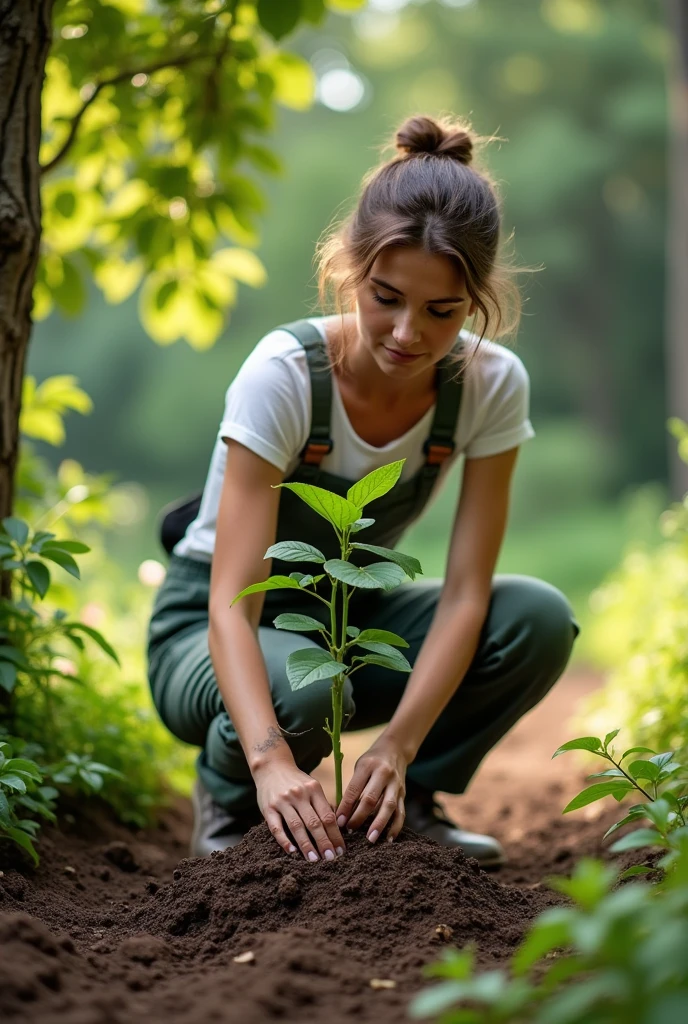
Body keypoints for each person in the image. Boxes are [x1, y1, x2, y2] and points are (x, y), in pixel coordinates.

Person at [147, 114, 579, 870]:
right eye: (385, 297)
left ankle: (404, 802)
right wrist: (272, 761)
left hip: (348, 610)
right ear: (349, 271)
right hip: (208, 628)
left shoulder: (490, 387)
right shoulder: (285, 375)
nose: (409, 333)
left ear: (477, 301)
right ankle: (227, 791)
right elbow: (229, 605)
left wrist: (398, 746)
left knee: (535, 619)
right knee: (313, 689)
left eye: (442, 312)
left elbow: (468, 598)